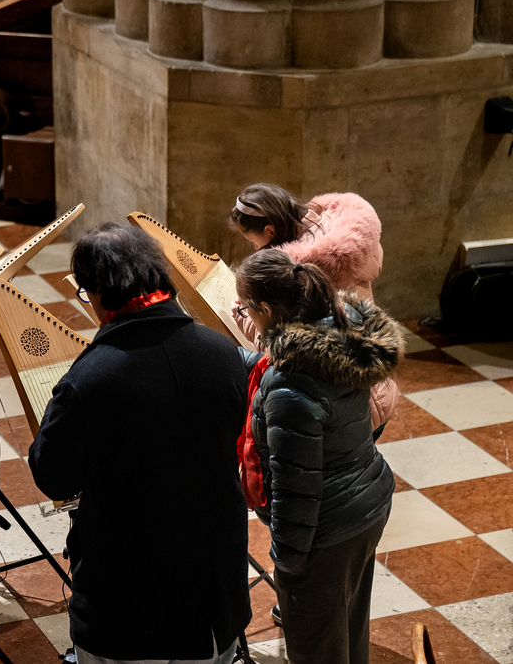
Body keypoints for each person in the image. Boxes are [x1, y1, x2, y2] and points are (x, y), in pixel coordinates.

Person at [29, 224, 251, 664]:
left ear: (97, 292)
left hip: (129, 608)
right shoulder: (222, 352)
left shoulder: (90, 380)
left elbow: (53, 477)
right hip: (214, 598)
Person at [235, 249, 403, 664]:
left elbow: (297, 484)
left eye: (245, 309)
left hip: (325, 528)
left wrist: (289, 561)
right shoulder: (341, 334)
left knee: (316, 649)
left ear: (267, 309)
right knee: (348, 628)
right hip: (365, 501)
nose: (244, 315)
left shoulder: (290, 382)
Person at [228, 183, 399, 437]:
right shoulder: (333, 232)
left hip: (352, 408)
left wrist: (245, 317)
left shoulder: (304, 275)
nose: (255, 248)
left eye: (253, 241)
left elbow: (290, 348)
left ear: (270, 230)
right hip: (372, 387)